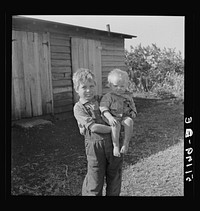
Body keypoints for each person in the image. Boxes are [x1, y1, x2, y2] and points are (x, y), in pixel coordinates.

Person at [73, 68, 123, 196]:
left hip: (113, 143)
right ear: (76, 89)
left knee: (114, 174)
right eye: (84, 87)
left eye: (91, 86)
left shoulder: (102, 99)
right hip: (95, 146)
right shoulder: (79, 107)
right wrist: (114, 128)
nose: (89, 90)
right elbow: (94, 127)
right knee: (95, 176)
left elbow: (118, 110)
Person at [99, 69, 137, 157]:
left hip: (124, 116)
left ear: (126, 85)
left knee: (129, 121)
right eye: (116, 86)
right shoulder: (108, 97)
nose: (119, 88)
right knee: (116, 125)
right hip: (112, 116)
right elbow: (103, 108)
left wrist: (133, 111)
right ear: (110, 85)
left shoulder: (128, 96)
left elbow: (132, 105)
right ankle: (115, 145)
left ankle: (126, 143)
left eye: (122, 86)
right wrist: (110, 118)